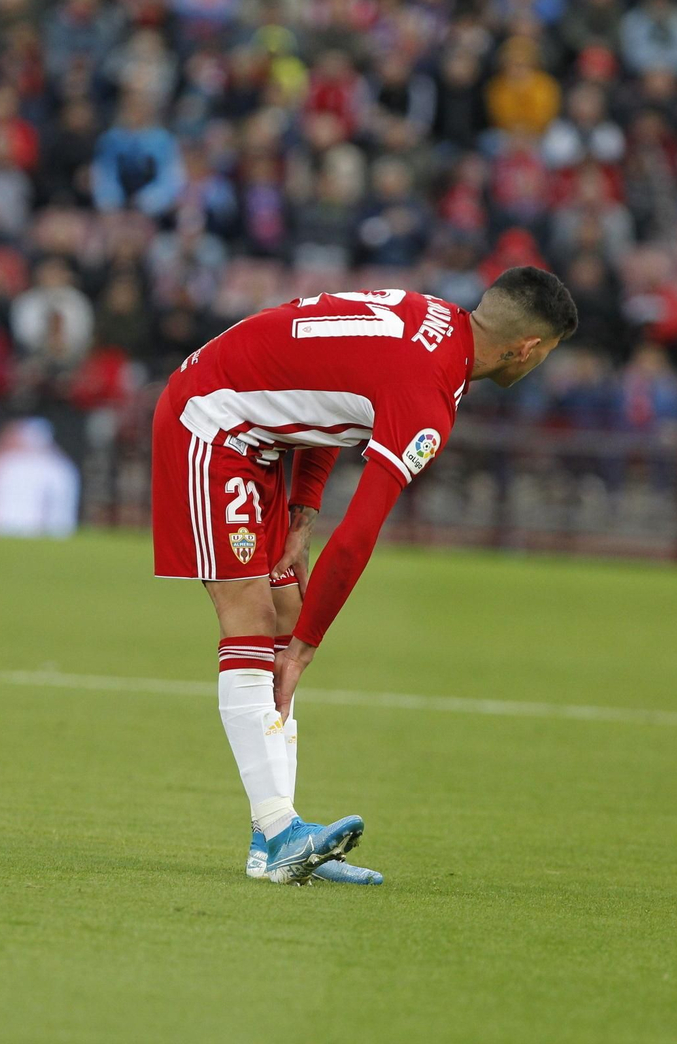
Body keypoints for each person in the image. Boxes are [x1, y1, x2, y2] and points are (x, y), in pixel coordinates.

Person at [150, 268, 577, 884]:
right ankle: (281, 831)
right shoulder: (429, 393)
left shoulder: (431, 320)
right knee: (253, 619)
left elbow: (331, 392)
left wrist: (302, 513)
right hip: (211, 423)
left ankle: (272, 843)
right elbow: (357, 537)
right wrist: (305, 650)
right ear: (528, 348)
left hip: (257, 434)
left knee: (286, 611)